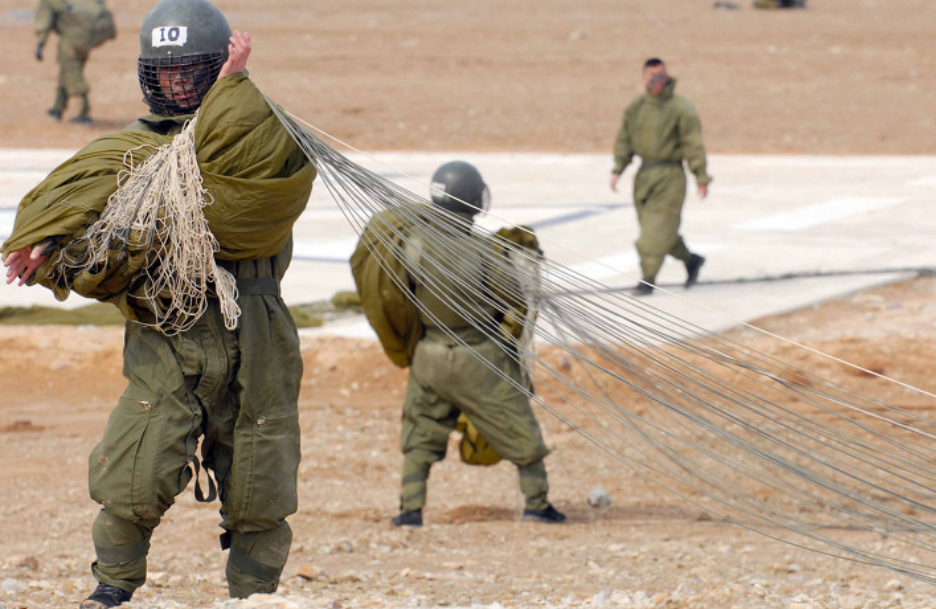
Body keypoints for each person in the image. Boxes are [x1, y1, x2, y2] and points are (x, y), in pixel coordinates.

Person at [4, 0, 316, 607]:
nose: (176, 84)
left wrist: (233, 94)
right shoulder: (127, 150)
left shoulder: (260, 137)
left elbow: (260, 199)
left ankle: (254, 596)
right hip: (167, 329)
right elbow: (83, 203)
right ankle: (112, 585)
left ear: (218, 68)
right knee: (136, 464)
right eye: (165, 72)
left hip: (256, 330)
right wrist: (48, 240)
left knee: (261, 472)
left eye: (191, 72)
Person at [353, 161, 566, 528]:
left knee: (421, 431)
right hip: (479, 359)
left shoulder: (412, 244)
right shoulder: (483, 251)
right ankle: (537, 504)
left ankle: (410, 509)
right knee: (520, 429)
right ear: (474, 200)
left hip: (429, 357)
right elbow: (514, 296)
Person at [609, 58, 711, 296]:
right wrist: (618, 168)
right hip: (645, 177)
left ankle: (648, 279)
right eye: (652, 76)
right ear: (643, 78)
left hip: (670, 177)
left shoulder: (681, 108)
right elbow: (624, 139)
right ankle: (691, 260)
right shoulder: (637, 108)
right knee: (659, 230)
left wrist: (701, 176)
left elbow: (693, 143)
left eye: (661, 75)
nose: (657, 80)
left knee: (653, 234)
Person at [34, 0, 115, 124]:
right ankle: (58, 107)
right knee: (67, 69)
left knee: (72, 72)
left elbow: (44, 22)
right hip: (88, 36)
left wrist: (40, 43)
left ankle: (84, 112)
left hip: (73, 38)